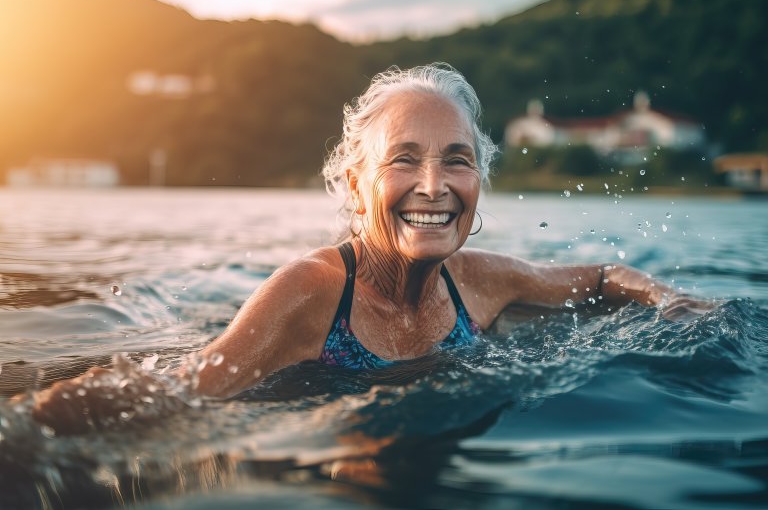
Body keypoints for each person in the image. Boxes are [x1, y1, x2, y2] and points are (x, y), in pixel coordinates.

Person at [28, 63, 712, 434]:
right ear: (357, 183)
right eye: (405, 159)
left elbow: (597, 276)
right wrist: (33, 425)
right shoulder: (309, 293)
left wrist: (669, 297)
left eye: (456, 160)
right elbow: (184, 385)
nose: (433, 186)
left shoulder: (480, 281)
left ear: (480, 181)